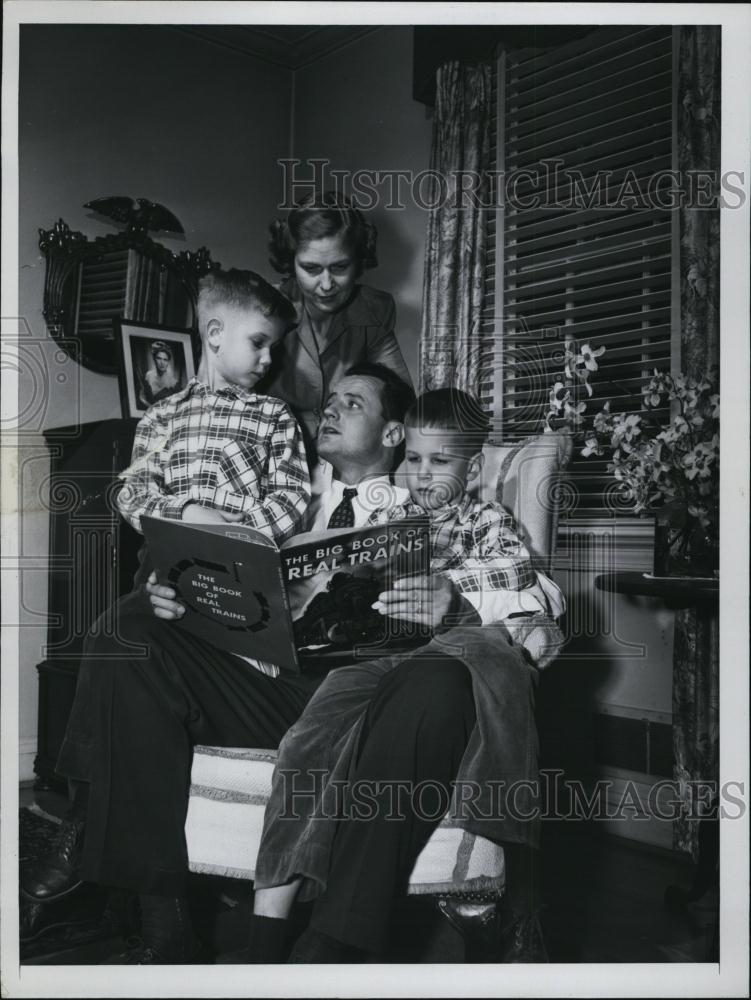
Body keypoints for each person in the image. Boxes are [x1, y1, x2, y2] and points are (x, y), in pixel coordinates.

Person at [20, 362, 415, 964]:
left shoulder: (417, 518)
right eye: (330, 400)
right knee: (135, 622)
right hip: (254, 680)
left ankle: (87, 811)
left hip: (334, 706)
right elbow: (223, 587)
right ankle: (165, 925)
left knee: (135, 644)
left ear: (393, 434)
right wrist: (171, 590)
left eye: (353, 403)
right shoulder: (287, 498)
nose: (330, 410)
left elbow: (492, 600)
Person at [247, 389, 565, 964]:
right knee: (306, 739)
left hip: (447, 649)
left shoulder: (487, 520)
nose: (422, 474)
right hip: (376, 655)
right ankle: (267, 930)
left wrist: (455, 595)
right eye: (413, 459)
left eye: (439, 462)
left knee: (468, 657)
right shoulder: (391, 517)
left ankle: (504, 900)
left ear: (471, 472)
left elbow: (517, 581)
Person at [261, 190, 413, 457]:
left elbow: (400, 403)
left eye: (340, 267)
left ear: (358, 262)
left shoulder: (373, 310)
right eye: (311, 269)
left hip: (343, 462)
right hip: (274, 455)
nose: (327, 285)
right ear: (291, 262)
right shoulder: (265, 308)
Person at [138, 340, 180, 408]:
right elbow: (142, 397)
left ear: (168, 362)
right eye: (159, 358)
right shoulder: (148, 376)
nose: (162, 363)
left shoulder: (174, 384)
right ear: (154, 359)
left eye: (165, 359)